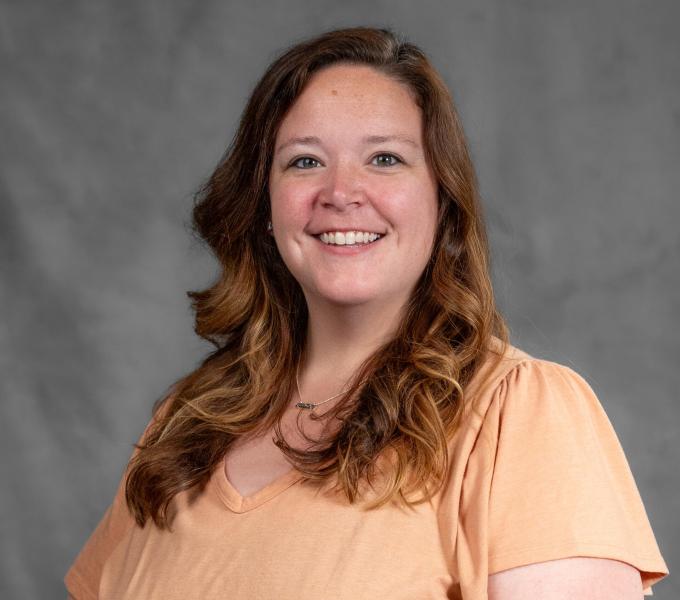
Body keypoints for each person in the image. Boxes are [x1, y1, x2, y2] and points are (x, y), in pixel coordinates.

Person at [64, 26, 668, 599]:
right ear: (265, 206)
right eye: (304, 161)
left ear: (442, 202)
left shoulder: (516, 415)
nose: (341, 192)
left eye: (384, 159)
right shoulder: (183, 425)